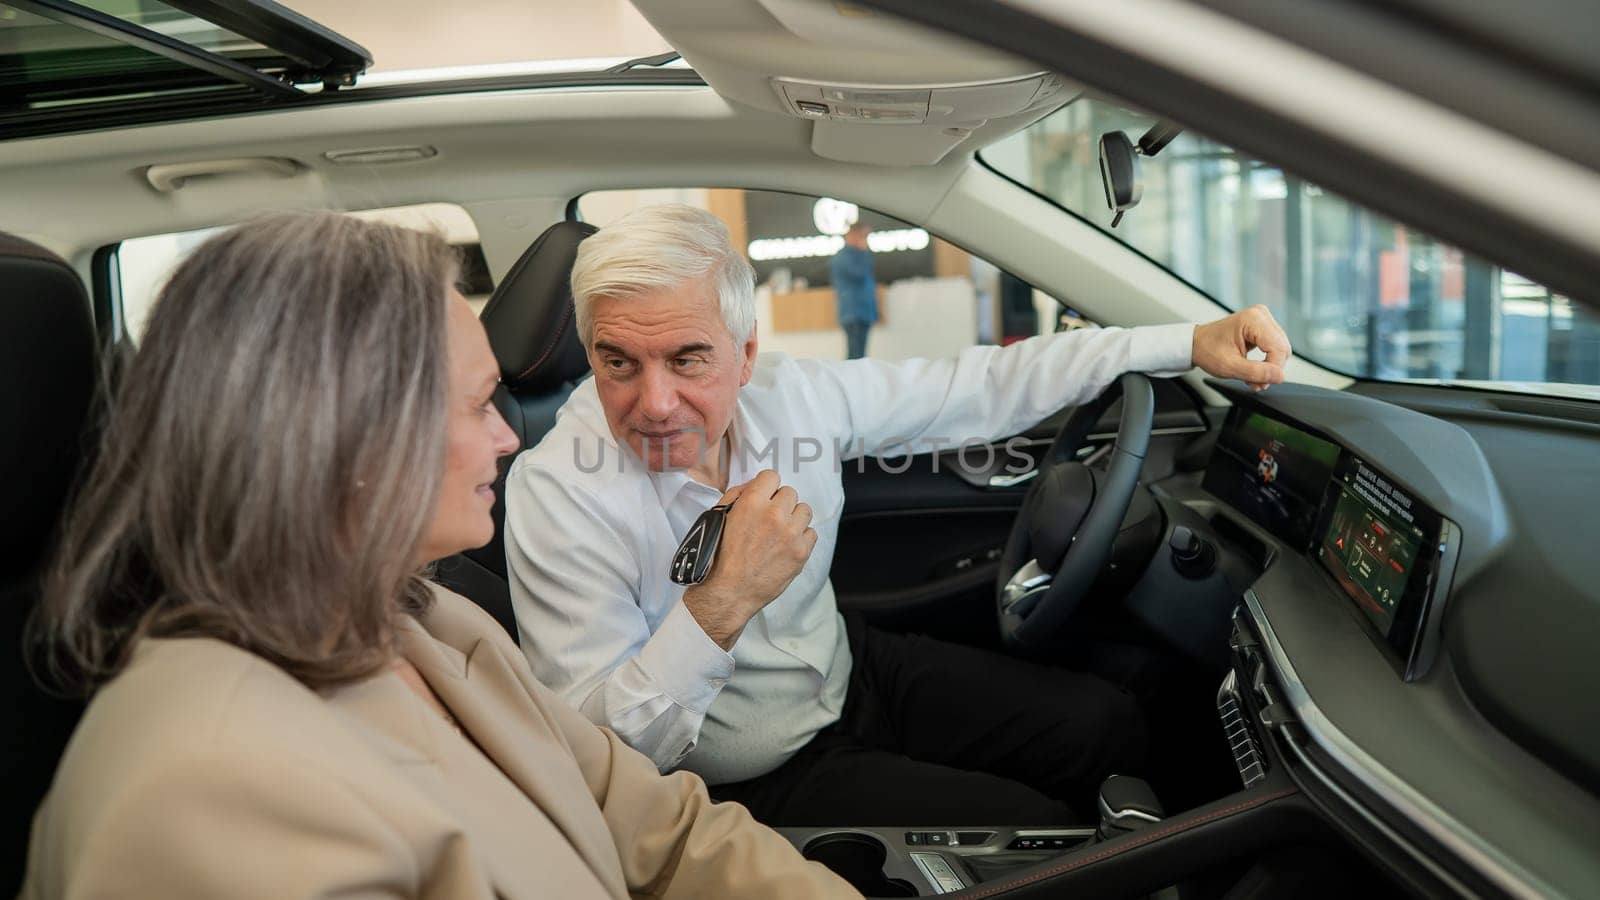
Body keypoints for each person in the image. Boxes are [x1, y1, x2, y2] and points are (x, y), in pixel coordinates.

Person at [21, 212, 857, 900]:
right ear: (340, 440)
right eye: (473, 407)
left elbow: (661, 829)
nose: (503, 438)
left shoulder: (433, 622)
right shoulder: (205, 789)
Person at [504, 204, 1292, 827]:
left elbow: (976, 387)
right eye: (618, 363)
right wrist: (721, 605)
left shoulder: (794, 397)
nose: (655, 403)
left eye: (688, 358)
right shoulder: (559, 493)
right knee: (1038, 828)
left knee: (1107, 723)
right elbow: (599, 752)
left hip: (855, 674)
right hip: (745, 782)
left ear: (745, 354)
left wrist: (1187, 341)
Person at [829, 221, 877, 359]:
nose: (865, 240)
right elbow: (860, 274)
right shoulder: (843, 257)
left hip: (864, 312)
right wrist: (865, 252)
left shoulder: (859, 255)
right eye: (863, 236)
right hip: (853, 313)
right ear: (853, 235)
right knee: (855, 357)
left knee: (861, 355)